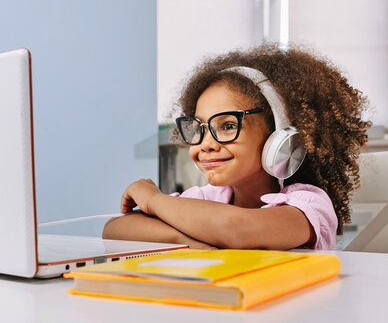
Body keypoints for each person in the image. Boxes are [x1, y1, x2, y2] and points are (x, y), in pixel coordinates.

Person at [102, 43, 371, 250]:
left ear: (280, 135)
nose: (205, 145)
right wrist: (187, 240)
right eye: (198, 128)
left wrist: (154, 200)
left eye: (228, 126)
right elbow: (116, 229)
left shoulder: (307, 204)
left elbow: (235, 228)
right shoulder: (210, 198)